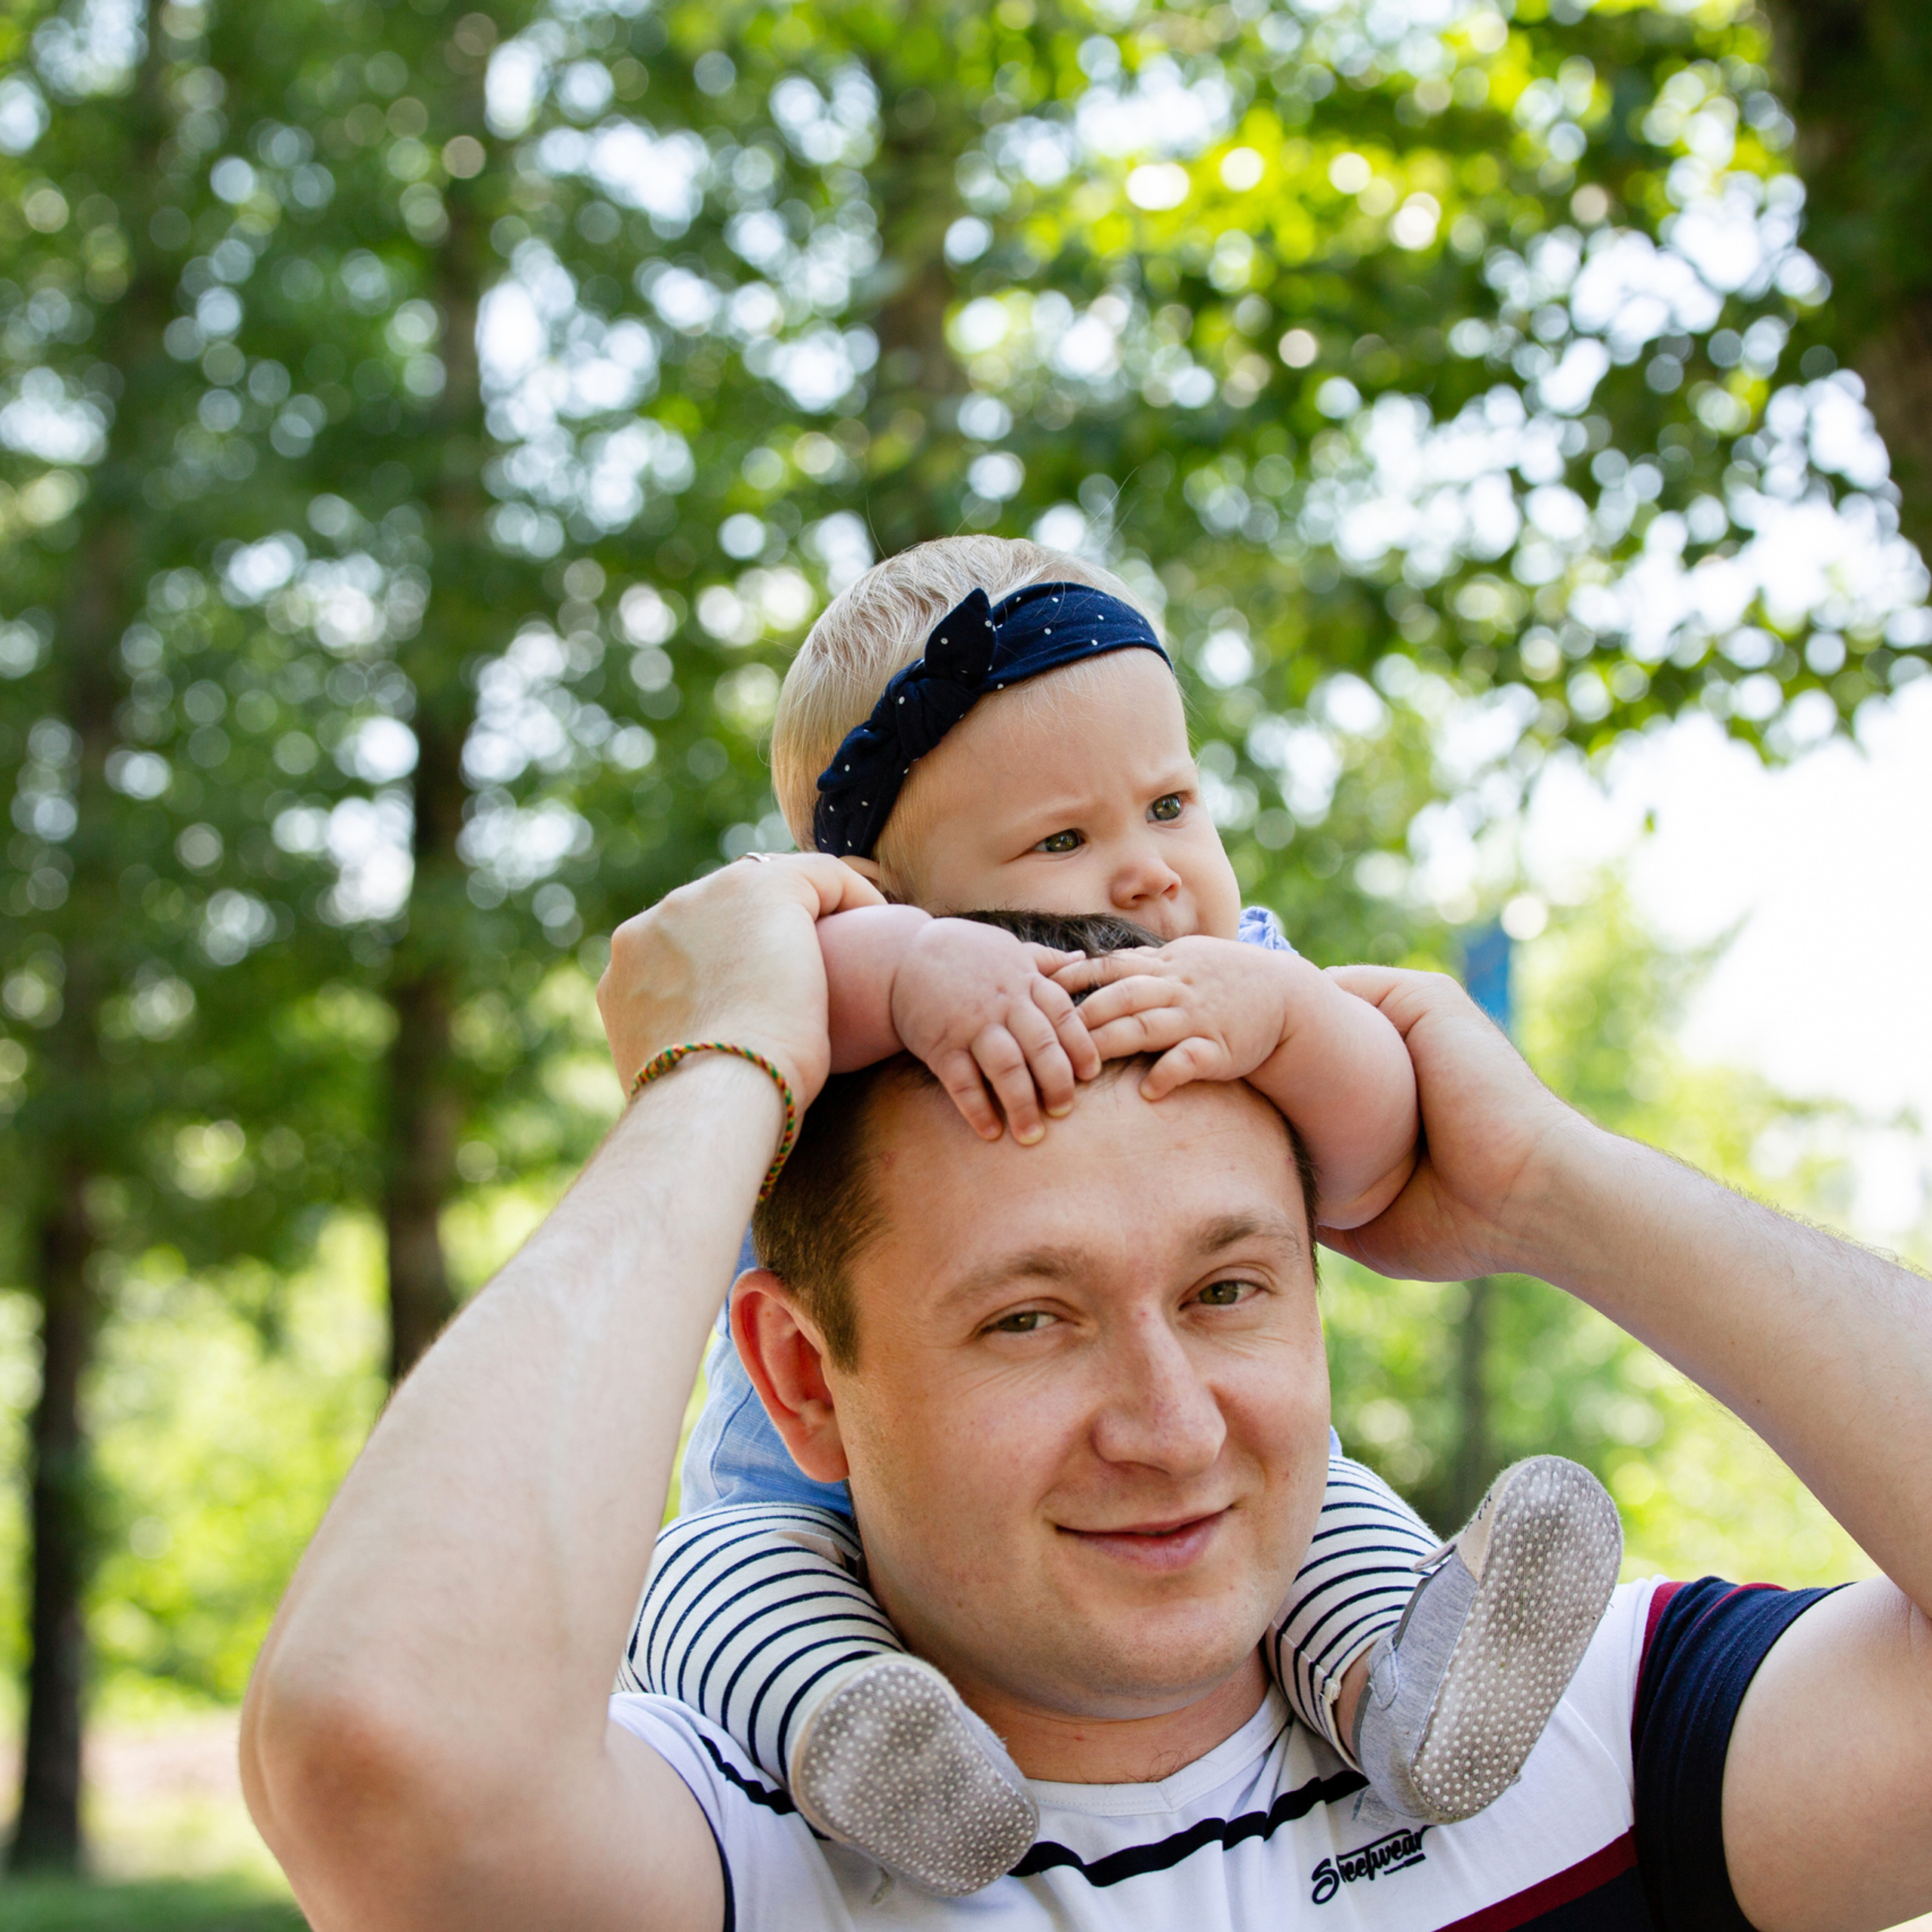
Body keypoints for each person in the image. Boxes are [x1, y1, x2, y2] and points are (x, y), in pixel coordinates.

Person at [242, 858, 1932, 1932]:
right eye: (1030, 1319)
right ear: (801, 1386)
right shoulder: (726, 1858)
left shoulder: (1578, 1745)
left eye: (1226, 1290)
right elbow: (387, 1761)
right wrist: (721, 1075)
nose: (1173, 1422)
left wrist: (1542, 1184)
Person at [626, 537, 1620, 1891]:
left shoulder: (1234, 976)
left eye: (1169, 804)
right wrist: (921, 971)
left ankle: (1406, 1682)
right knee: (711, 1591)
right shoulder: (851, 971)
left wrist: (1287, 1024)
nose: (1149, 874)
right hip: (801, 1490)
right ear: (890, 885)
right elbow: (799, 990)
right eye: (1063, 838)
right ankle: (867, 1739)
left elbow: (1381, 1154)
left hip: (1177, 1492)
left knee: (1318, 1498)